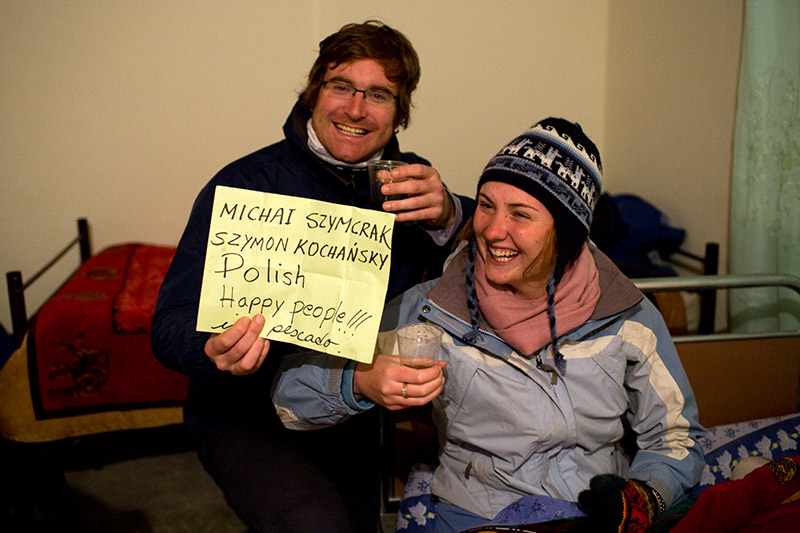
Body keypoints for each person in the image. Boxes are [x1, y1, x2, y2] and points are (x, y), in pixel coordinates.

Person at [272, 118, 707, 532]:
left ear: (568, 234)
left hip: (592, 512)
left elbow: (676, 436)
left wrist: (643, 496)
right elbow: (290, 397)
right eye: (485, 206)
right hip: (475, 515)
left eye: (520, 214)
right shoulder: (435, 310)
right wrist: (359, 382)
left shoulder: (628, 317)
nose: (493, 230)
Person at [151, 20, 474, 533]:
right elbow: (168, 324)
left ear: (400, 112)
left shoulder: (410, 184)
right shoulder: (244, 184)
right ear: (313, 93)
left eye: (379, 94)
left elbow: (507, 246)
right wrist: (210, 349)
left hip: (355, 412)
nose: (355, 109)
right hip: (248, 414)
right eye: (340, 86)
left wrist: (453, 213)